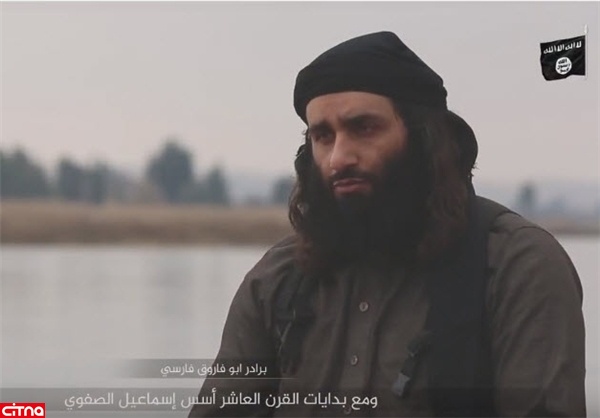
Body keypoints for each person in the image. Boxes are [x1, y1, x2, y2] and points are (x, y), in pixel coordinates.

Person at [188, 31, 586, 417]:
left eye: (363, 128)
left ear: (424, 138)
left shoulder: (516, 268)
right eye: (323, 136)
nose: (338, 158)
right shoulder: (278, 281)